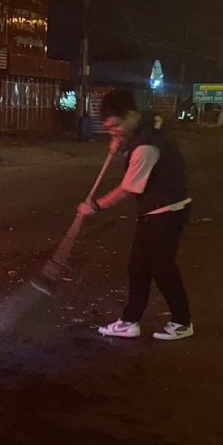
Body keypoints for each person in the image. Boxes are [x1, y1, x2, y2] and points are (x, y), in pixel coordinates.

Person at [77, 89, 194, 340]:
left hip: (166, 210)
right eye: (108, 128)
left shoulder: (146, 146)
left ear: (131, 115)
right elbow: (134, 137)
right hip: (155, 210)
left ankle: (182, 322)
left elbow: (129, 188)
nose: (113, 131)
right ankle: (130, 321)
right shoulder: (147, 122)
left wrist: (95, 206)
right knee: (138, 267)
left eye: (116, 126)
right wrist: (122, 140)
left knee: (161, 268)